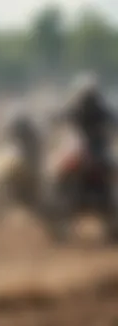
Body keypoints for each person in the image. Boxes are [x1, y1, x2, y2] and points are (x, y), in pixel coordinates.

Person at [53, 71, 118, 219]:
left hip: (92, 150)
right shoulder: (89, 107)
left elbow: (61, 117)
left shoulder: (86, 107)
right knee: (60, 173)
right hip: (84, 150)